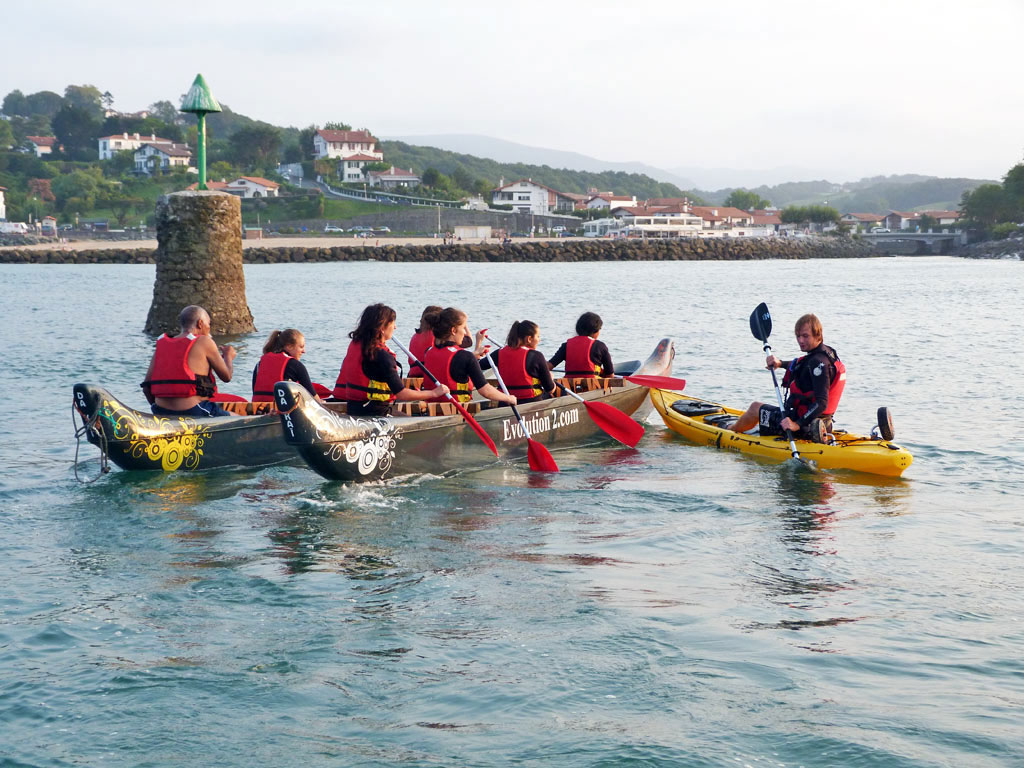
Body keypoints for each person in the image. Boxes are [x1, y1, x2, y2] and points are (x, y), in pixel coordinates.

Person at [728, 313, 846, 441]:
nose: (800, 340)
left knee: (755, 408)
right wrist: (780, 363)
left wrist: (796, 424)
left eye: (805, 336)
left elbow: (822, 403)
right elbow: (802, 365)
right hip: (821, 424)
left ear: (817, 335)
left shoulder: (817, 363)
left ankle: (730, 431)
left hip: (804, 427)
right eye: (798, 336)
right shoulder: (826, 354)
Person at [333, 303, 449, 416]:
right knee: (411, 420)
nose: (395, 327)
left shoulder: (357, 344)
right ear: (382, 328)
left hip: (354, 408)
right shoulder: (382, 356)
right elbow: (402, 394)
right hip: (376, 412)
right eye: (393, 323)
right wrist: (434, 393)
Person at [141, 305, 235, 418]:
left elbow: (146, 387)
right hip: (194, 410)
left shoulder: (162, 344)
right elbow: (227, 377)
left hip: (160, 411)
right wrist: (228, 357)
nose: (209, 329)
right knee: (238, 417)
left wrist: (160, 411)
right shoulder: (204, 341)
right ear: (200, 323)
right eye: (208, 325)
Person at [421, 307, 517, 406]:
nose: (465, 333)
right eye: (463, 328)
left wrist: (473, 355)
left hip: (431, 408)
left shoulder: (428, 352)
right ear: (453, 330)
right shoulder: (465, 356)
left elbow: (451, 362)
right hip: (458, 410)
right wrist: (509, 398)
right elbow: (485, 391)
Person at [481, 320, 555, 403]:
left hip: (506, 403)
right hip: (532, 403)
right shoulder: (536, 356)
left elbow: (478, 366)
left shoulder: (498, 353)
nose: (539, 340)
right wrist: (551, 378)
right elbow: (550, 389)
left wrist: (478, 347)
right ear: (529, 339)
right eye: (538, 336)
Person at [407, 304, 482, 378]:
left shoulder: (415, 336)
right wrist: (463, 324)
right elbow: (468, 342)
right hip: (430, 375)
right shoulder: (439, 336)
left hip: (412, 375)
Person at [251, 328, 317, 402]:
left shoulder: (259, 364)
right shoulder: (296, 365)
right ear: (289, 347)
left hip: (258, 409)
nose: (304, 351)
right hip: (283, 410)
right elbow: (313, 397)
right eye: (301, 347)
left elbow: (255, 391)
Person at [547, 311, 614, 378]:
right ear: (595, 331)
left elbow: (549, 366)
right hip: (595, 385)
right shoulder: (600, 346)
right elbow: (610, 375)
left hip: (569, 385)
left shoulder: (566, 345)